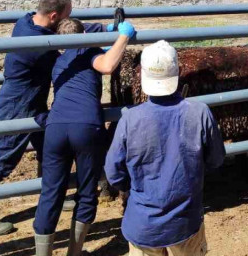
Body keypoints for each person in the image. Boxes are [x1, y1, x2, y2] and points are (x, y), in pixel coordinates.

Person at [105, 41, 225, 256]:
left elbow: (114, 172)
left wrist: (136, 189)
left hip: (142, 223)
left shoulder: (129, 119)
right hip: (185, 221)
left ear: (142, 76)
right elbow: (215, 159)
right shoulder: (199, 113)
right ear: (178, 72)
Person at [0, 0, 74, 236]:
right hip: (18, 103)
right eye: (67, 17)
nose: (69, 20)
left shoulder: (26, 21)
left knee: (49, 146)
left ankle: (51, 195)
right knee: (5, 154)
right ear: (54, 16)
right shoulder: (37, 44)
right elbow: (64, 58)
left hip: (33, 100)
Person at [33, 18, 136, 256]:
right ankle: (75, 253)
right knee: (86, 193)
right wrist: (124, 36)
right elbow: (108, 65)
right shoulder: (91, 52)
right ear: (85, 35)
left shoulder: (59, 61)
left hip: (56, 127)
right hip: (86, 128)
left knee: (50, 193)